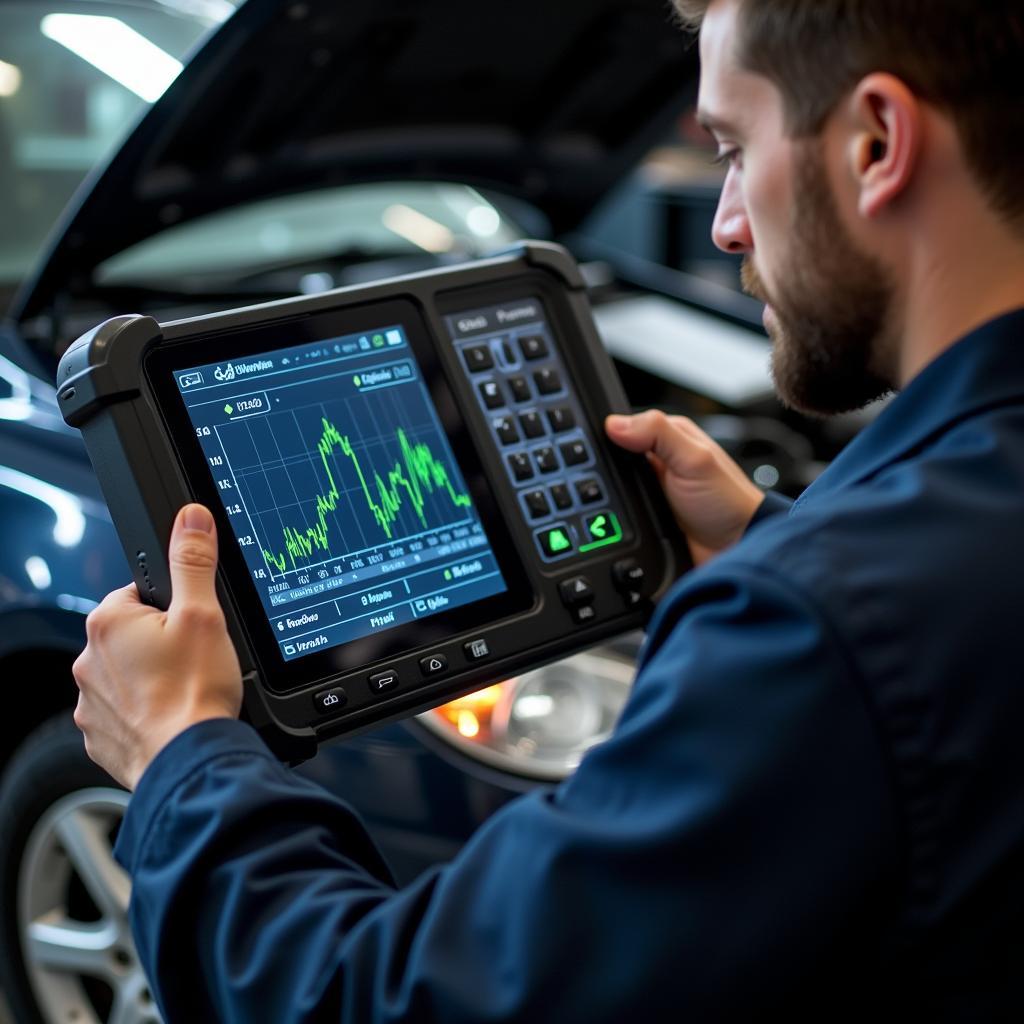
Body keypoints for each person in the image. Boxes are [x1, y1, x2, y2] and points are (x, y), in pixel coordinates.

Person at [72, 0, 1024, 1020]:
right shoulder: (912, 558)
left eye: (734, 149)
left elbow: (382, 1001)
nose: (724, 222)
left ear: (877, 142)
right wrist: (761, 537)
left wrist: (181, 754)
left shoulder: (815, 629)